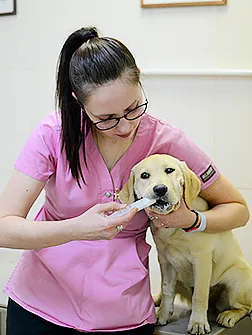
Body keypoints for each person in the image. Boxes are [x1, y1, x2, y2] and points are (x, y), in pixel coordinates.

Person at [0, 26, 249, 335]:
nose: (125, 127)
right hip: (42, 298)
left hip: (121, 311)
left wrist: (191, 219)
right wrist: (75, 228)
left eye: (133, 109)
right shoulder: (53, 134)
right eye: (106, 118)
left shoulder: (165, 139)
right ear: (79, 102)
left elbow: (238, 208)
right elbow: (3, 227)